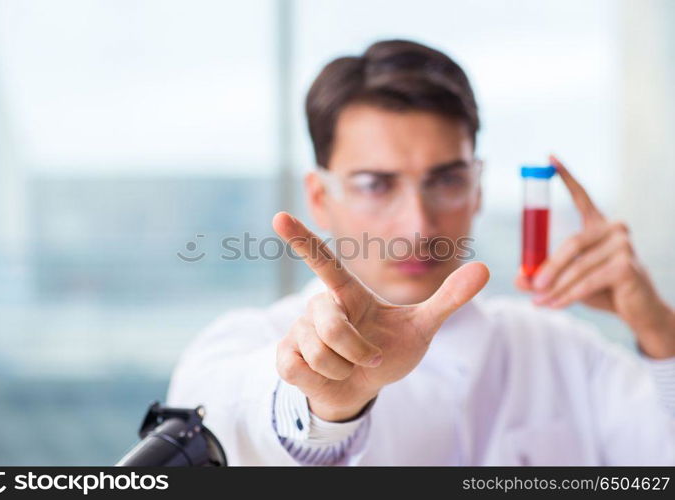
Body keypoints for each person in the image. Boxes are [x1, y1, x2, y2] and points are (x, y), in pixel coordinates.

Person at [167, 39, 675, 465]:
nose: (419, 225)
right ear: (320, 197)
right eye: (375, 184)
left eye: (447, 180)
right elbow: (229, 426)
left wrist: (661, 333)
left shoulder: (564, 352)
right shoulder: (240, 345)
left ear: (478, 189)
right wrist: (324, 406)